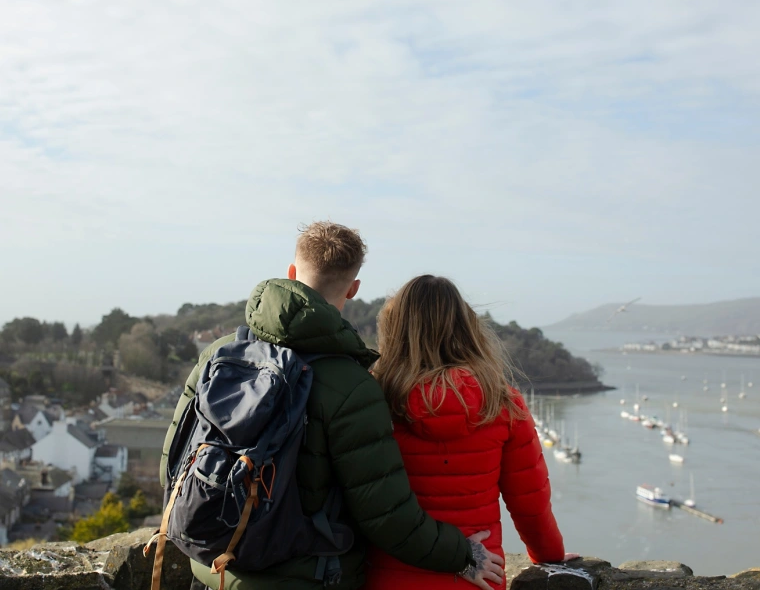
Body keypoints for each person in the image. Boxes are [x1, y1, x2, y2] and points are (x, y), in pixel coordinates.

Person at [160, 222, 505, 590]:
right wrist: (462, 555)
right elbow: (386, 516)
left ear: (291, 273)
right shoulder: (352, 385)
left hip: (212, 571)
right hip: (307, 578)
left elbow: (174, 458)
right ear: (354, 289)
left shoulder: (219, 354)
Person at [366, 274, 577, 590]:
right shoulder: (502, 401)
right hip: (480, 578)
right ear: (466, 328)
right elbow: (530, 504)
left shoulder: (371, 400)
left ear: (394, 330)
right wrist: (550, 556)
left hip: (385, 575)